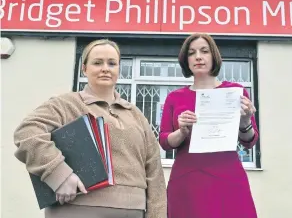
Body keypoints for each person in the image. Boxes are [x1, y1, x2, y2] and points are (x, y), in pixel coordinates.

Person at [13, 39, 167, 218]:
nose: (105, 68)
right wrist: (59, 174)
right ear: (84, 69)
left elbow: (154, 172)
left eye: (112, 63)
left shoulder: (135, 115)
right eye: (97, 62)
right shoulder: (65, 104)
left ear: (118, 69)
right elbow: (27, 132)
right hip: (76, 209)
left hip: (133, 211)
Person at [159, 33, 259, 218]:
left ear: (214, 56)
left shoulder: (235, 92)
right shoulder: (175, 97)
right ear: (185, 60)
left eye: (204, 51)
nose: (198, 56)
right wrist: (181, 132)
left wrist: (245, 122)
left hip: (227, 178)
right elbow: (164, 141)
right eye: (192, 53)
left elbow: (249, 141)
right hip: (187, 180)